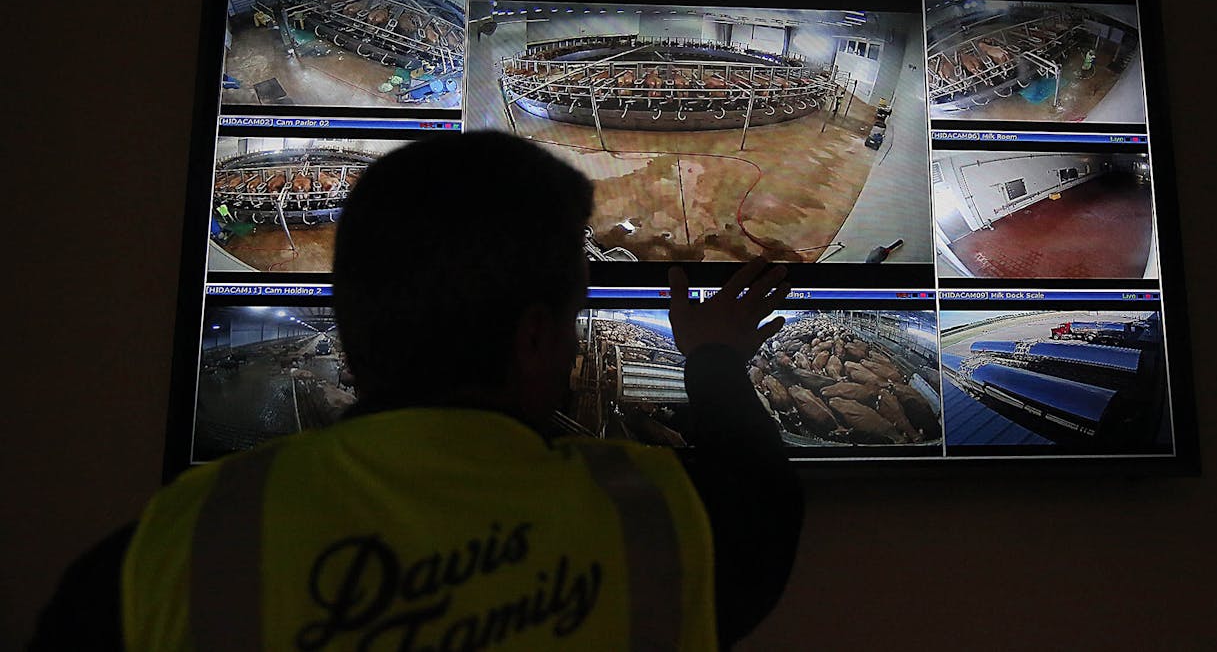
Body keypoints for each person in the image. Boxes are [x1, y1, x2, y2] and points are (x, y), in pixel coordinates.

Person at [30, 132, 802, 650]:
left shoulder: (173, 547)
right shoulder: (658, 524)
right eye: (571, 320)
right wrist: (713, 358)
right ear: (535, 338)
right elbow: (763, 491)